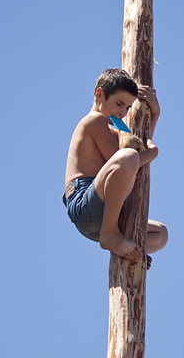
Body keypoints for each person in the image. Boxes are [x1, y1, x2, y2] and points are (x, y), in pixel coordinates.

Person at [63, 68, 168, 265]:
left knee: (160, 234)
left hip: (103, 211)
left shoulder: (110, 128)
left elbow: (136, 147)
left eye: (128, 108)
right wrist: (152, 154)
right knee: (126, 156)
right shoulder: (94, 121)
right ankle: (110, 236)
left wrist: (155, 114)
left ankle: (124, 245)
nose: (122, 112)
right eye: (119, 104)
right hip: (85, 205)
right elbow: (126, 158)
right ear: (99, 94)